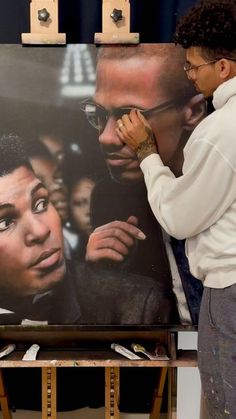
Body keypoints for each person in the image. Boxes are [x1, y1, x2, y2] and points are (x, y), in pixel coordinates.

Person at [118, 1, 236, 417]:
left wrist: (148, 153)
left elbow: (179, 219)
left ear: (222, 68)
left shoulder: (220, 130)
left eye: (193, 67)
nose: (191, 75)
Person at [81, 43, 206, 324]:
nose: (106, 138)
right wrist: (96, 278)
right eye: (98, 114)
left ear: (194, 111)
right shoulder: (109, 198)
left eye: (131, 117)